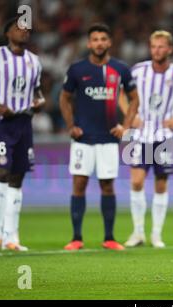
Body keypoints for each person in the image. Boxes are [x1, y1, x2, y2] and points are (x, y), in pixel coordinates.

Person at [60, 23, 139, 251]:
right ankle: (76, 238)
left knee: (107, 186)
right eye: (95, 39)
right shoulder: (77, 69)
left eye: (103, 39)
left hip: (108, 138)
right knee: (79, 184)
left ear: (109, 42)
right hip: (83, 138)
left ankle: (109, 238)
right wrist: (70, 125)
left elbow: (134, 99)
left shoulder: (120, 69)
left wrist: (125, 126)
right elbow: (64, 98)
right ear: (88, 43)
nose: (99, 43)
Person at [124, 30, 173, 248]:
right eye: (153, 46)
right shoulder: (138, 71)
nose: (157, 50)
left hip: (164, 136)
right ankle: (138, 232)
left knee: (161, 184)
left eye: (161, 46)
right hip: (140, 135)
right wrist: (131, 117)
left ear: (169, 49)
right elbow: (122, 94)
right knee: (136, 181)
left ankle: (156, 234)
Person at [0, 17, 45, 251]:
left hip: (24, 123)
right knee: (1, 170)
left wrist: (39, 101)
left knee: (17, 178)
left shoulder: (34, 61)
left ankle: (12, 237)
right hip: (1, 124)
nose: (24, 31)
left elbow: (38, 90)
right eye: (18, 28)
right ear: (7, 33)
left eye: (27, 28)